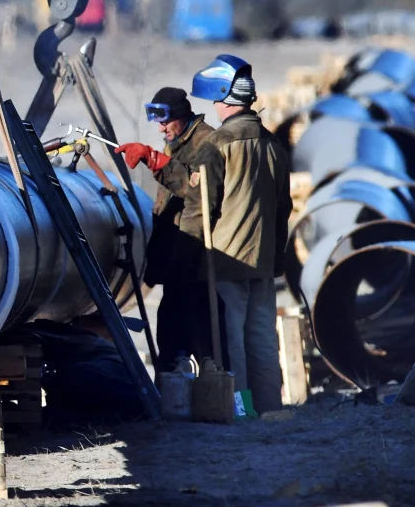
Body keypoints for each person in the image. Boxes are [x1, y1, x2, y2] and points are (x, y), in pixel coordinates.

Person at [118, 55, 291, 414]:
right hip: (262, 262)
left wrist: (185, 260)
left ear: (223, 98)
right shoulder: (273, 143)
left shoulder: (217, 143)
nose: (213, 106)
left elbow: (200, 205)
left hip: (225, 262)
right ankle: (270, 410)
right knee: (262, 339)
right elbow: (283, 208)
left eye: (215, 99)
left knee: (230, 343)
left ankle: (241, 410)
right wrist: (275, 259)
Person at [116, 88, 217, 372]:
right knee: (171, 340)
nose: (161, 128)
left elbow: (199, 192)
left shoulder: (206, 142)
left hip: (198, 261)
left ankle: (227, 398)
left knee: (208, 347)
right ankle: (175, 394)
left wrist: (157, 162)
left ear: (182, 115)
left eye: (166, 121)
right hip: (178, 262)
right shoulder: (176, 144)